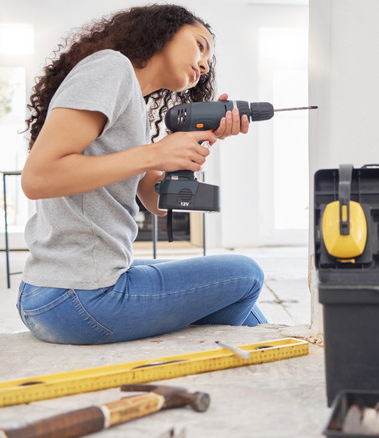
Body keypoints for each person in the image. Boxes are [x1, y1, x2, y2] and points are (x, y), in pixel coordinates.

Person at [18, 4, 267, 345]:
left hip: (62, 293)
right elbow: (38, 178)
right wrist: (157, 152)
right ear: (163, 32)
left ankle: (267, 347)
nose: (206, 63)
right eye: (199, 44)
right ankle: (258, 353)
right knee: (246, 274)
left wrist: (197, 142)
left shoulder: (136, 103)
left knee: (223, 290)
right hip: (80, 295)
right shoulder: (111, 67)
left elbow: (156, 202)